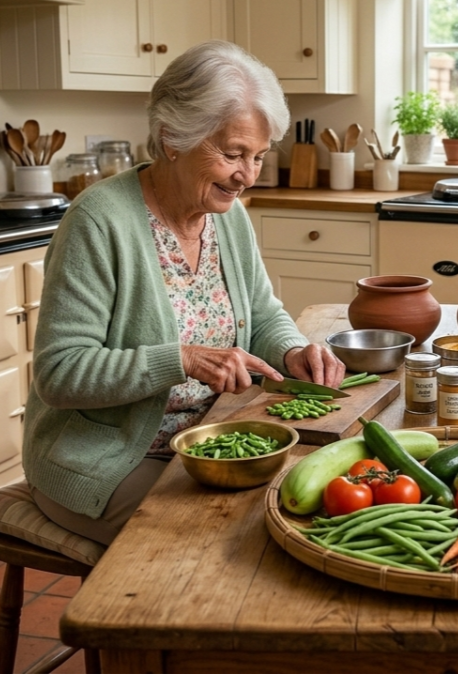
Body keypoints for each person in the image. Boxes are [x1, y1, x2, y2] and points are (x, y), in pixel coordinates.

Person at [23, 40, 346, 546]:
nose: (247, 176)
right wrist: (181, 360)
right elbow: (59, 373)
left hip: (210, 433)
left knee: (301, 507)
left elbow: (262, 312)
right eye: (233, 154)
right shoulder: (98, 222)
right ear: (173, 137)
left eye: (259, 156)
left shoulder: (228, 215)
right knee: (230, 538)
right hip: (107, 456)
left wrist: (291, 349)